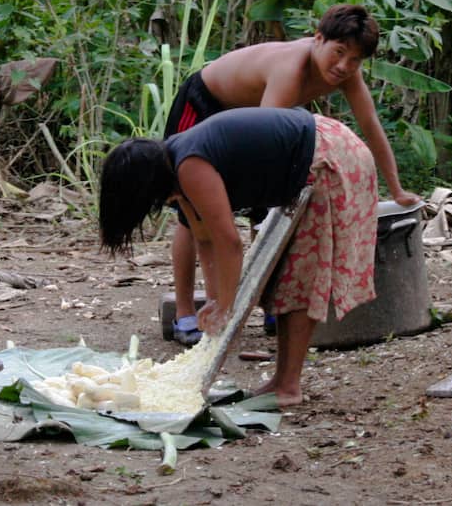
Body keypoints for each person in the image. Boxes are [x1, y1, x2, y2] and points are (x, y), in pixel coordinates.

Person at [162, 4, 419, 345]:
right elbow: (261, 141)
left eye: (355, 60)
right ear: (318, 39)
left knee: (264, 207)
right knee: (193, 213)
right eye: (338, 53)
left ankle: (263, 303)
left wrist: (397, 189)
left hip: (251, 117)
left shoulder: (347, 71)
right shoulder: (290, 69)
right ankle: (187, 314)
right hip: (205, 106)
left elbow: (370, 126)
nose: (344, 66)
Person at [99, 107, 378, 406]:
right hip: (323, 150)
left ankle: (288, 386)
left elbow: (229, 242)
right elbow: (204, 239)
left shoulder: (189, 166)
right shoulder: (177, 166)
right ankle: (282, 382)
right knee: (285, 281)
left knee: (298, 278)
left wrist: (227, 305)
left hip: (330, 157)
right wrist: (215, 300)